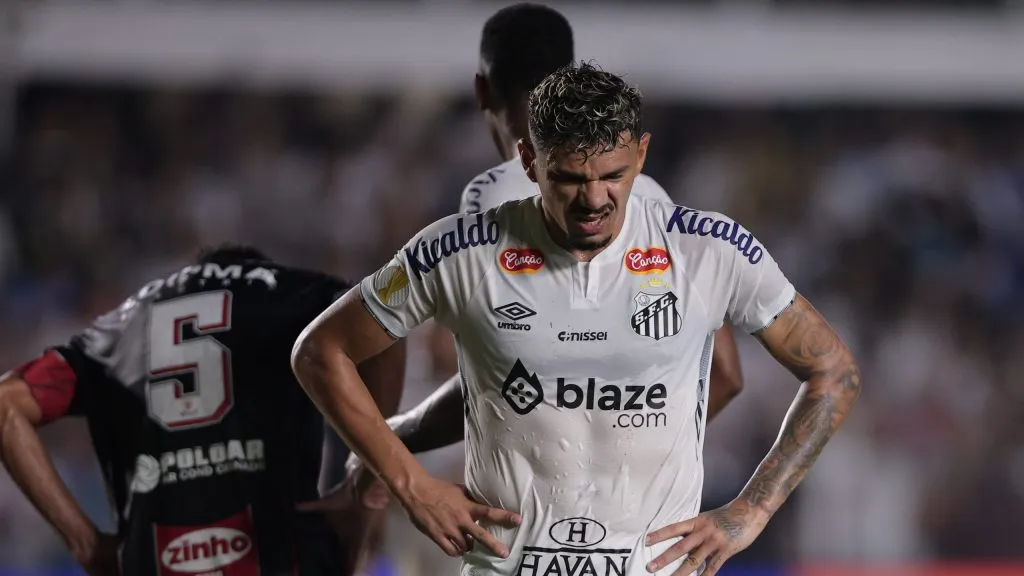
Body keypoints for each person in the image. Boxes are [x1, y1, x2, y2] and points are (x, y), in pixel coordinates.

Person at [292, 62, 860, 576]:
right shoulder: (461, 252)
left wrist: (750, 511)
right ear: (529, 159)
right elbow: (320, 351)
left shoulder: (708, 250)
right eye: (569, 178)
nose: (594, 199)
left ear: (641, 154)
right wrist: (411, 484)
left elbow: (834, 373)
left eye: (612, 175)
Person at [368, 1, 744, 480]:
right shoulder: (653, 197)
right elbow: (726, 375)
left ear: (481, 89)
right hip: (628, 515)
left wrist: (386, 448)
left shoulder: (495, 195)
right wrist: (631, 456)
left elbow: (496, 370)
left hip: (519, 508)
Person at [0, 245, 405, 576]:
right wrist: (366, 483)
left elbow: (7, 403)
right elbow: (389, 314)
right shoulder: (294, 294)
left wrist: (83, 541)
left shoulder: (116, 330)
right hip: (283, 553)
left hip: (156, 561)